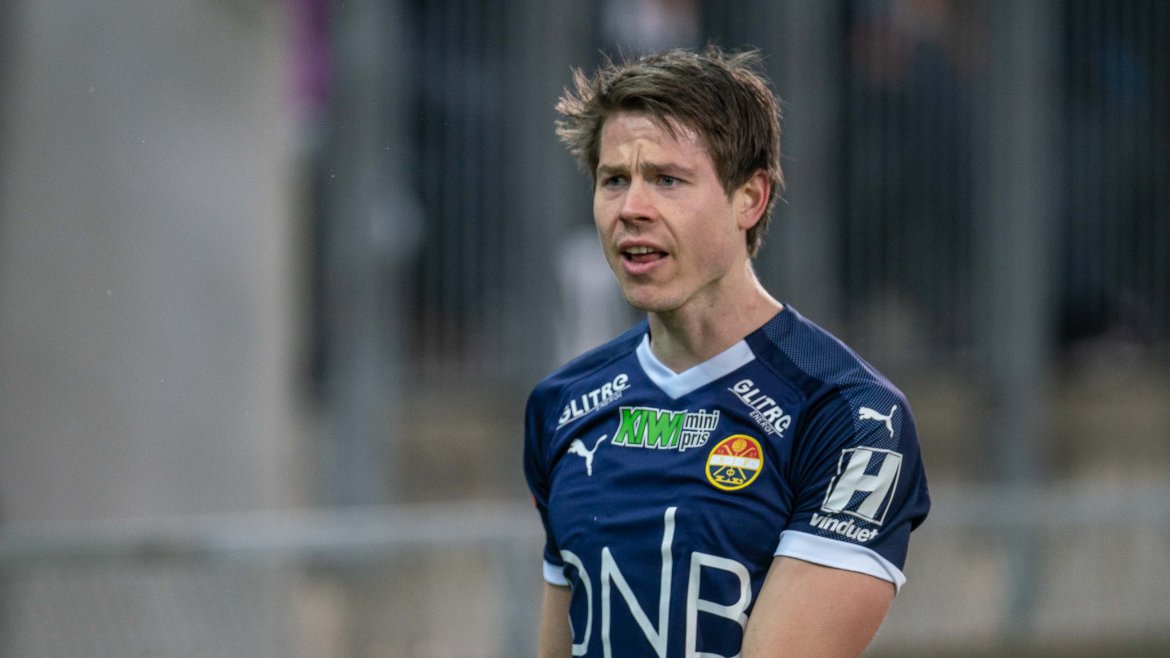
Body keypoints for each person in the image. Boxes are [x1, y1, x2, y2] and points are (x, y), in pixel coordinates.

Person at [523, 46, 930, 657]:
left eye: (667, 180)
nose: (632, 209)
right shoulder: (562, 405)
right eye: (614, 180)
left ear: (750, 198)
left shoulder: (852, 417)